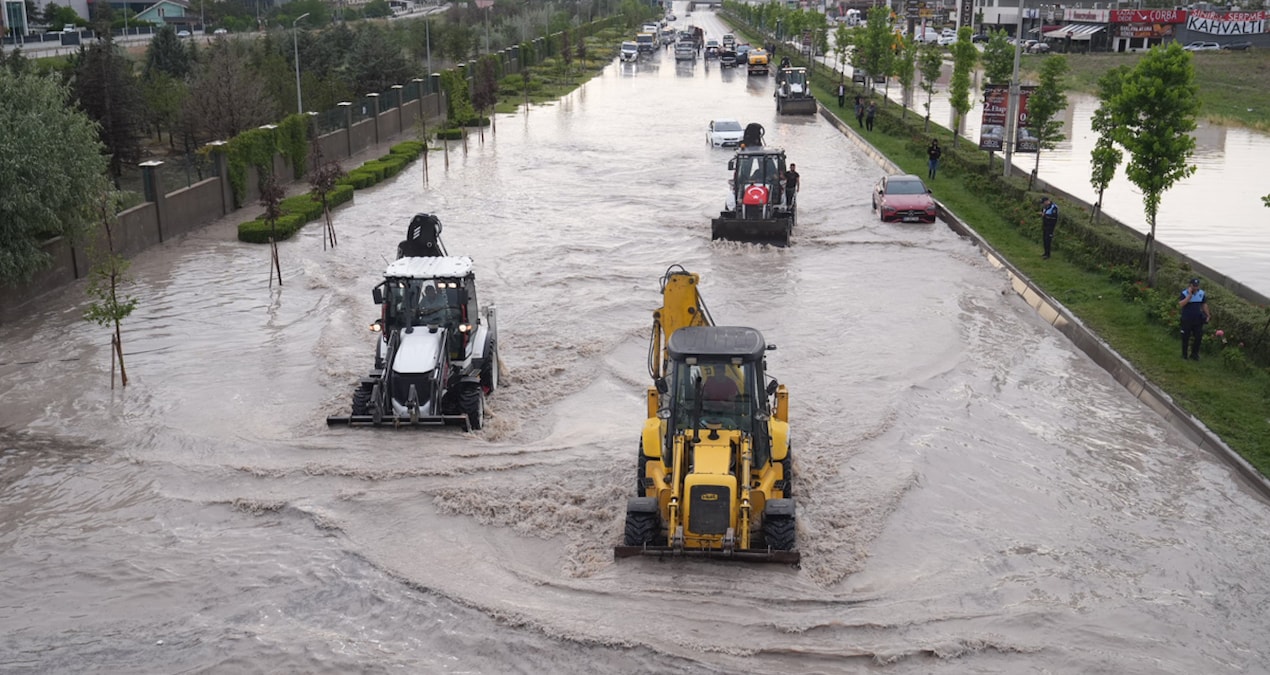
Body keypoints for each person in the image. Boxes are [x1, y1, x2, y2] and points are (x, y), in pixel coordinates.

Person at [1178, 277, 1211, 360]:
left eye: (1197, 286)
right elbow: (1181, 304)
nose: (1195, 287)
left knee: (1198, 337)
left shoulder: (1201, 293)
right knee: (1185, 337)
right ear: (1190, 285)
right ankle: (1184, 355)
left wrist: (1208, 315)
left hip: (1197, 320)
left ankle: (1194, 354)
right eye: (1194, 285)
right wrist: (1189, 296)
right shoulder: (1184, 293)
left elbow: (1204, 304)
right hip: (1187, 319)